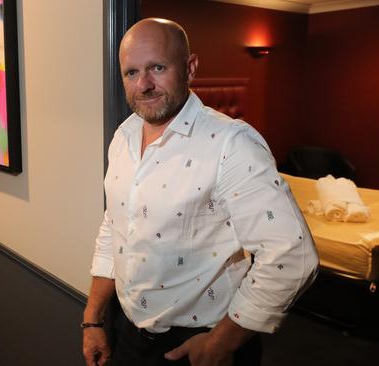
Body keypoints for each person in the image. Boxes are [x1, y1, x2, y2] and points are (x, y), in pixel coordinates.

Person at [82, 18, 319, 366]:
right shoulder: (123, 137)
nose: (143, 84)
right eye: (131, 73)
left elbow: (291, 257)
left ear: (190, 67)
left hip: (200, 346)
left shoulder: (232, 144)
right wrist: (93, 318)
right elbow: (113, 227)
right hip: (129, 334)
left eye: (157, 68)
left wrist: (220, 345)